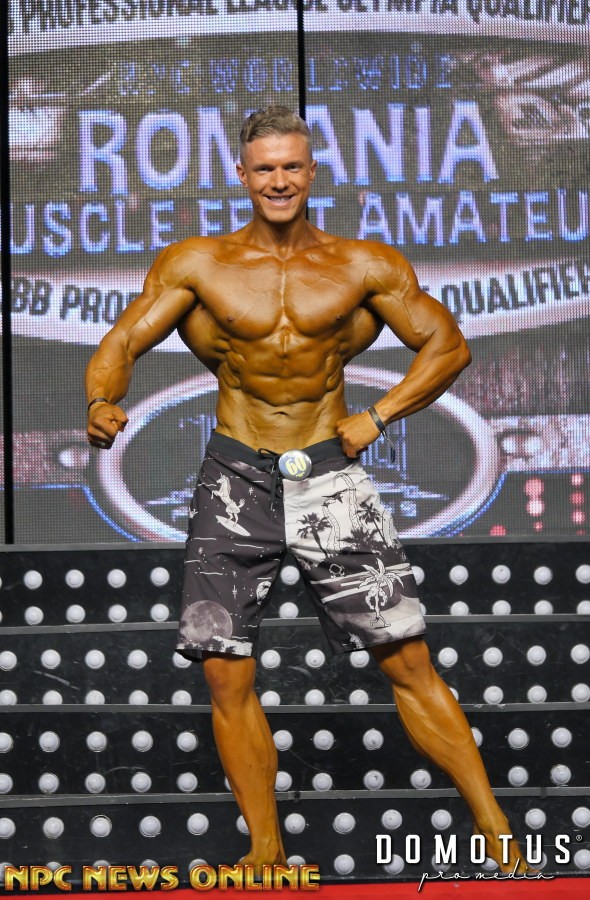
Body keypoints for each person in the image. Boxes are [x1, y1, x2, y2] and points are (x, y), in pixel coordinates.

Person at [86, 106, 529, 876]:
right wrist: (101, 399)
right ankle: (266, 850)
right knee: (225, 669)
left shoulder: (362, 266)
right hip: (235, 480)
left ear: (312, 171)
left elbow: (447, 345)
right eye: (265, 168)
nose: (279, 180)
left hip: (329, 474)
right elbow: (122, 341)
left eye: (291, 166)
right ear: (242, 174)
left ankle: (499, 835)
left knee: (407, 660)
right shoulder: (198, 264)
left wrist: (378, 416)